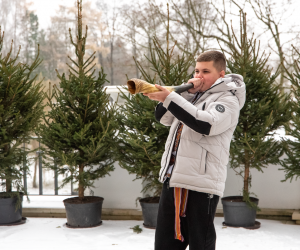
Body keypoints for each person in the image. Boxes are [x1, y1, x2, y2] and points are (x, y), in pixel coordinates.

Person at [143, 50, 246, 250]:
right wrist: (183, 93)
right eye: (197, 70)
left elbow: (205, 124)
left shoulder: (228, 100)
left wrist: (171, 97)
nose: (199, 76)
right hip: (173, 180)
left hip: (201, 185)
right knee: (166, 244)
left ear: (221, 74)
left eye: (205, 71)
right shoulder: (194, 96)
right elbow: (163, 117)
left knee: (202, 243)